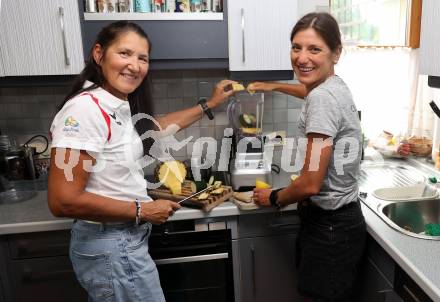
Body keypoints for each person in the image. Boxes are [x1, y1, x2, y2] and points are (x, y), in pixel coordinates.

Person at [47, 21, 236, 301]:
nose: (134, 65)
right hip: (112, 244)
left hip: (118, 245)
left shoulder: (112, 103)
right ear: (99, 54)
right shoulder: (85, 110)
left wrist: (210, 104)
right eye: (124, 53)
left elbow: (152, 129)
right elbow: (62, 200)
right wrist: (142, 210)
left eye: (142, 58)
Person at [252, 13, 366, 301]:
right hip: (343, 224)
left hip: (329, 228)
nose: (302, 58)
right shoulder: (333, 86)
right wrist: (274, 85)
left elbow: (311, 183)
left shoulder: (322, 99)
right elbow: (308, 91)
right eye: (296, 47)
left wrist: (274, 197)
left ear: (336, 53)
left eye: (314, 49)